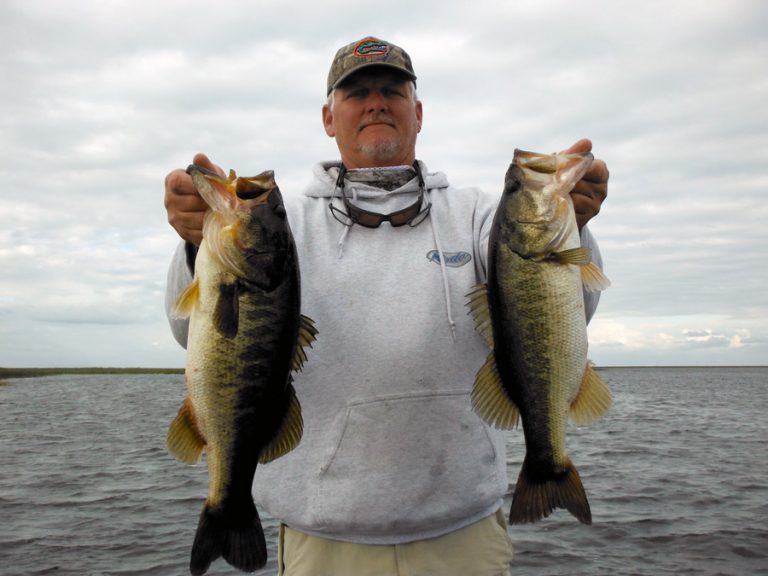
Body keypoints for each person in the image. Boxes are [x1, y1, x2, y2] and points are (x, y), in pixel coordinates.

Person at [163, 36, 609, 576]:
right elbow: (193, 335)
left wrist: (574, 224)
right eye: (357, 93)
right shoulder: (283, 224)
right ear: (329, 118)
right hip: (323, 540)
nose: (376, 104)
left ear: (418, 113)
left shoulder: (479, 215)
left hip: (464, 534)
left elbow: (561, 317)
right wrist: (195, 243)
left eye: (392, 91)